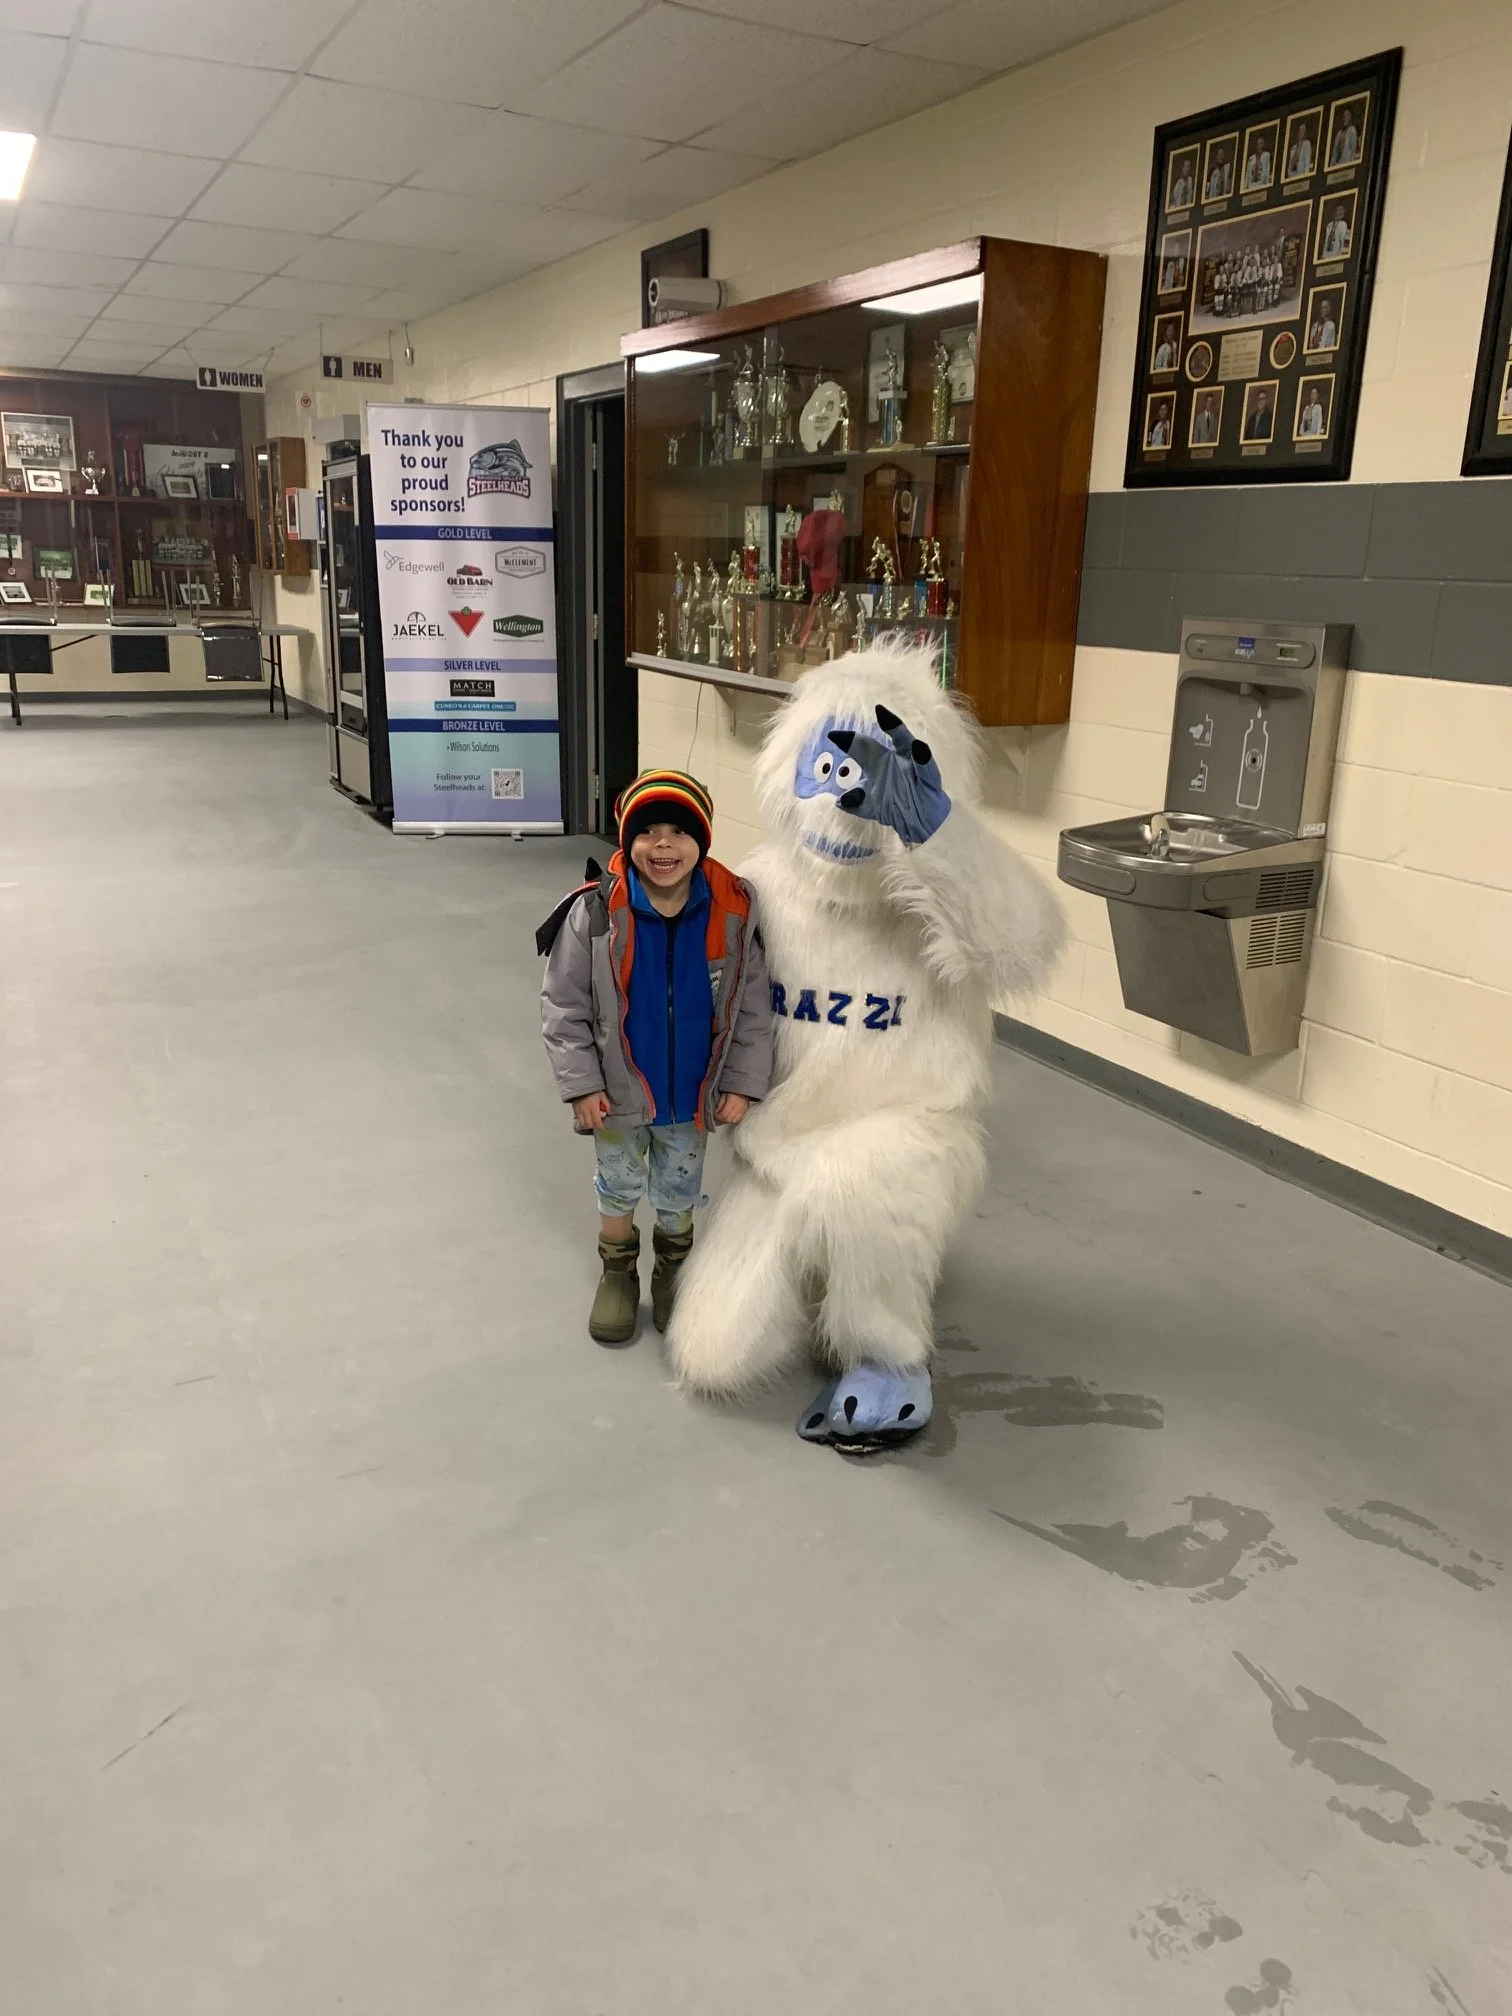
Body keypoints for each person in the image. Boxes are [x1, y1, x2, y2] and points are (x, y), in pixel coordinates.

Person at [665, 643, 1064, 1453]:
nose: (846, 797)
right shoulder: (762, 884)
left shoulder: (936, 890)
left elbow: (1022, 949)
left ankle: (891, 1357)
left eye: (872, 772)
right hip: (780, 1149)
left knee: (855, 1191)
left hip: (905, 1136)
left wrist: (934, 833)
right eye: (828, 763)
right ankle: (842, 1260)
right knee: (710, 1353)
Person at [539, 769, 773, 1344]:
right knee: (617, 1184)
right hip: (617, 1092)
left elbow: (751, 1008)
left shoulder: (734, 912)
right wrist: (582, 1085)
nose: (662, 846)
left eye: (678, 832)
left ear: (703, 840)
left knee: (678, 1188)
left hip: (693, 1093)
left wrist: (742, 1083)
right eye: (648, 832)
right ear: (627, 840)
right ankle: (618, 1273)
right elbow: (563, 1007)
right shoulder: (593, 914)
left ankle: (674, 1271)